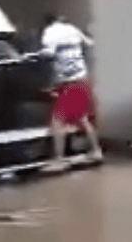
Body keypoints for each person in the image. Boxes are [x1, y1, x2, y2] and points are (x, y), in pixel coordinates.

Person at [40, 13, 103, 172]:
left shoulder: (50, 33)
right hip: (82, 80)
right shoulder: (73, 30)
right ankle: (96, 151)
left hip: (69, 83)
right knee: (82, 118)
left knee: (57, 122)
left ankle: (59, 160)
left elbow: (48, 54)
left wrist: (41, 54)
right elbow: (89, 43)